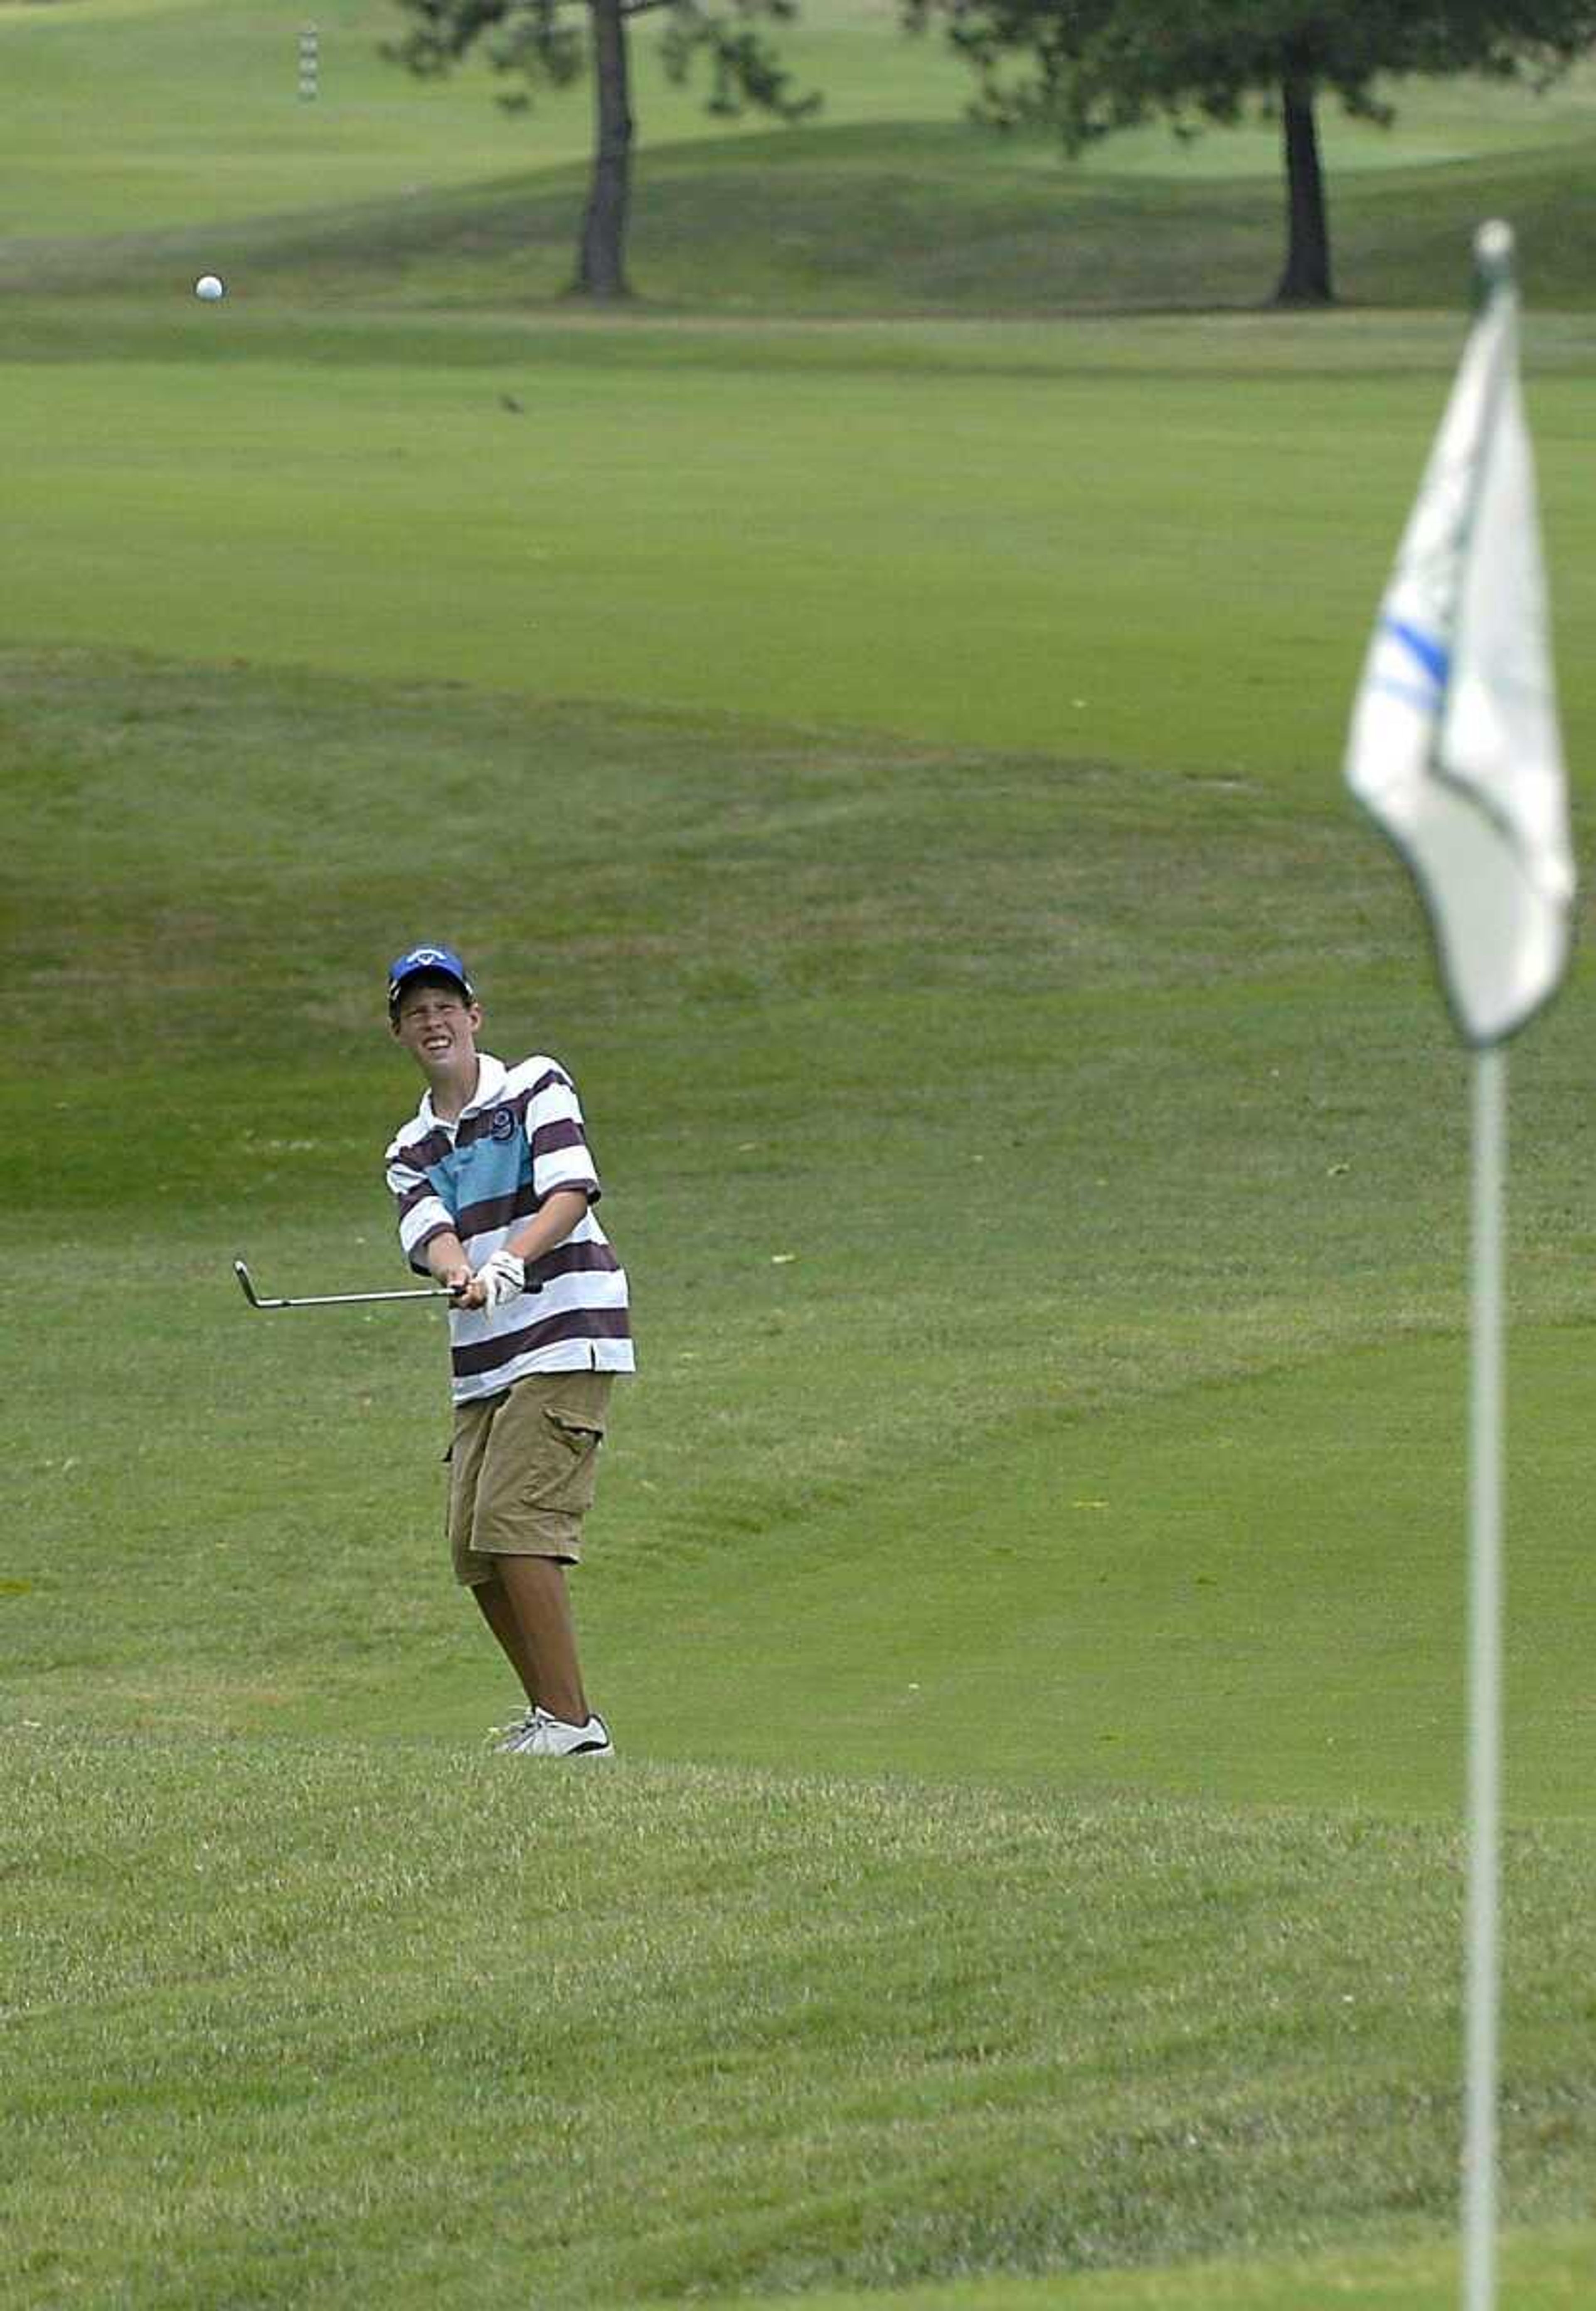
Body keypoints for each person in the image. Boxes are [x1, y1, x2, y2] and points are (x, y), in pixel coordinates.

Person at [383, 943, 633, 1758]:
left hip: (567, 1328)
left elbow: (568, 1190)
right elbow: (433, 1235)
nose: (434, 1020)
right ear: (400, 1032)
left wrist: (511, 1261)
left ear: (474, 1016)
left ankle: (573, 1724)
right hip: (486, 1357)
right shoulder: (409, 1147)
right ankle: (551, 1717)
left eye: (446, 1005)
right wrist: (463, 1271)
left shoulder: (534, 1083)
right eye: (417, 1011)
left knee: (515, 1521)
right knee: (474, 1543)